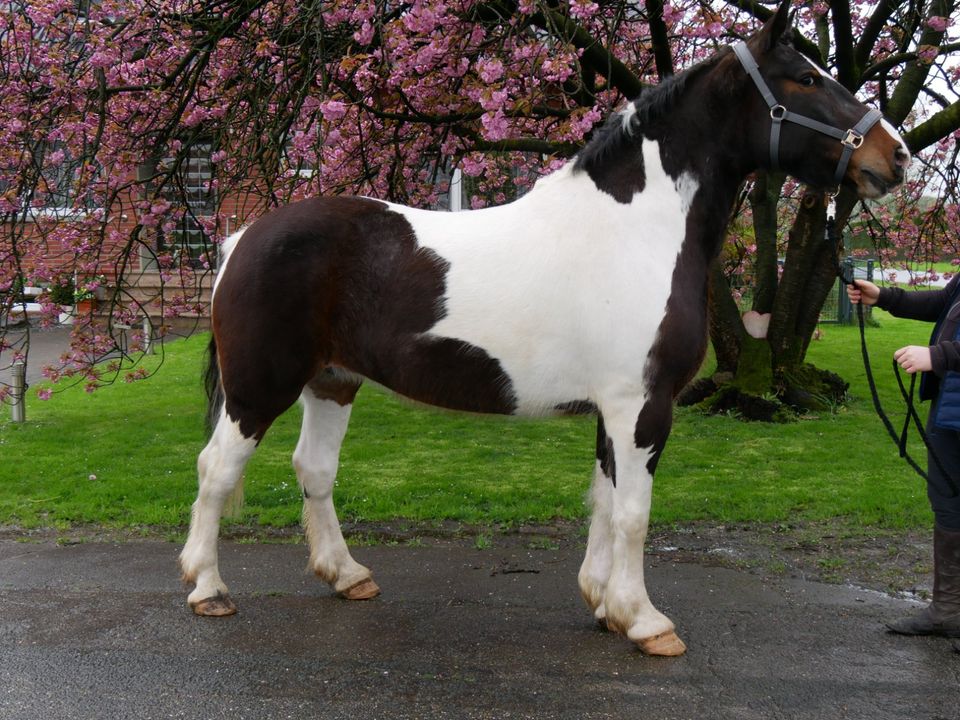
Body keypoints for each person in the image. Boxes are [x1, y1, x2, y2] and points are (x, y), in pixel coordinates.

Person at [847, 275, 960, 640]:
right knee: (948, 507)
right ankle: (948, 612)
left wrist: (937, 355)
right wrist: (882, 297)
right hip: (949, 410)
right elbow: (941, 303)